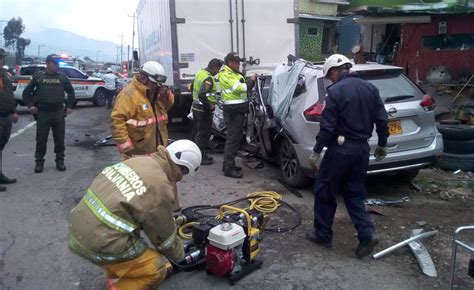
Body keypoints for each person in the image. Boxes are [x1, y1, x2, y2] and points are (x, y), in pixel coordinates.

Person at [68, 139, 202, 290]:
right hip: (100, 242)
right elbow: (163, 239)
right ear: (183, 168)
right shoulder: (160, 186)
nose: (181, 177)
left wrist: (173, 221)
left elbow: (141, 209)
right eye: (184, 173)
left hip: (78, 229)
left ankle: (118, 274)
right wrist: (179, 255)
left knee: (133, 253)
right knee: (155, 269)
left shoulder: (140, 161)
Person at [306, 54, 389, 259]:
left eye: (329, 76)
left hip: (341, 149)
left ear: (335, 71)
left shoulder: (334, 92)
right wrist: (383, 144)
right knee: (354, 193)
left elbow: (327, 128)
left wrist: (316, 151)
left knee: (325, 190)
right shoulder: (371, 89)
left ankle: (323, 235)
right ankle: (367, 234)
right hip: (362, 149)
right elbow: (382, 119)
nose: (330, 80)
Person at [110, 61, 174, 160]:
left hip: (159, 150)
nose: (156, 86)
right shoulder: (128, 95)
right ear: (143, 78)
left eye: (158, 84)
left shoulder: (156, 92)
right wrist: (126, 147)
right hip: (138, 153)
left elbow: (166, 108)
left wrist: (166, 96)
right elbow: (117, 121)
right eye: (154, 83)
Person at [23, 54, 75, 173]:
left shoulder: (62, 77)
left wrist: (69, 106)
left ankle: (60, 160)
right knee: (41, 139)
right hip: (43, 112)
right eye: (55, 63)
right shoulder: (38, 76)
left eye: (58, 63)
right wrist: (31, 105)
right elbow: (26, 93)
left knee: (59, 138)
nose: (57, 65)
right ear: (47, 63)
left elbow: (71, 92)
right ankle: (39, 162)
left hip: (58, 112)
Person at [218, 52, 255, 178]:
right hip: (233, 111)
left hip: (237, 110)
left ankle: (228, 164)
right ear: (230, 62)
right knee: (233, 140)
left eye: (239, 62)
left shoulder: (233, 73)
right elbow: (241, 88)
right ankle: (228, 168)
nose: (238, 64)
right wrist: (251, 81)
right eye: (236, 62)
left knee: (235, 138)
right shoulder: (226, 74)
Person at [191, 58, 223, 165]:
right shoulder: (208, 78)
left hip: (196, 108)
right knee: (203, 134)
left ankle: (200, 155)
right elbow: (201, 94)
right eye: (217, 69)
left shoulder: (200, 73)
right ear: (213, 67)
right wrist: (209, 106)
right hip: (203, 110)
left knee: (197, 133)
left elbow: (191, 87)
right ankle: (200, 158)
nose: (217, 72)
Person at [0, 48, 19, 191]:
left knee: (1, 147)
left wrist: (13, 111)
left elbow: (8, 94)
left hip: (6, 116)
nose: (2, 60)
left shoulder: (4, 73)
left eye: (2, 58)